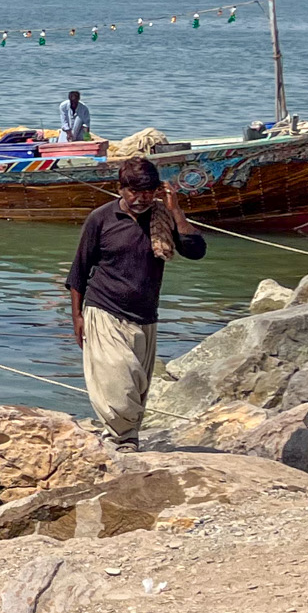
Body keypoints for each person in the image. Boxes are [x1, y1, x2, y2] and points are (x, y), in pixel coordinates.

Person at [65, 157, 205, 448]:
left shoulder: (162, 218)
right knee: (120, 384)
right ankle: (122, 439)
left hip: (145, 315)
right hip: (104, 310)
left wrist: (175, 209)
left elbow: (196, 251)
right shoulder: (101, 219)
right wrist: (77, 317)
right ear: (120, 189)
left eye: (148, 192)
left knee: (138, 386)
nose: (141, 199)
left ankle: (126, 441)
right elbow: (78, 271)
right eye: (134, 192)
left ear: (158, 190)